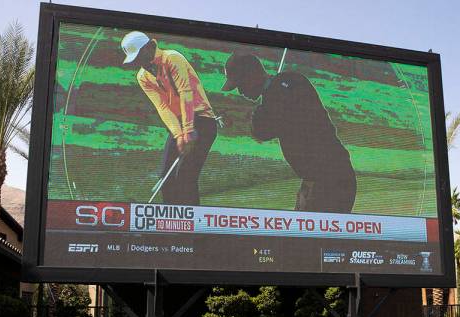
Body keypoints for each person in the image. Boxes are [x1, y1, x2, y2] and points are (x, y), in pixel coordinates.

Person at [222, 53, 356, 213]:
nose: (240, 91)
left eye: (240, 84)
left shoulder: (284, 89)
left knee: (309, 236)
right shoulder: (284, 88)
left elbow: (261, 131)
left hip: (330, 179)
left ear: (251, 75)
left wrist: (261, 110)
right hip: (322, 177)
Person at [121, 31, 218, 205]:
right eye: (135, 60)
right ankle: (169, 226)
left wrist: (188, 131)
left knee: (185, 177)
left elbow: (185, 93)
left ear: (151, 46)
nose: (139, 62)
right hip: (179, 124)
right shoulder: (143, 77)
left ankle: (191, 226)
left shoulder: (172, 58)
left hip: (202, 120)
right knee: (165, 179)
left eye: (139, 56)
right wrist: (179, 134)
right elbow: (162, 107)